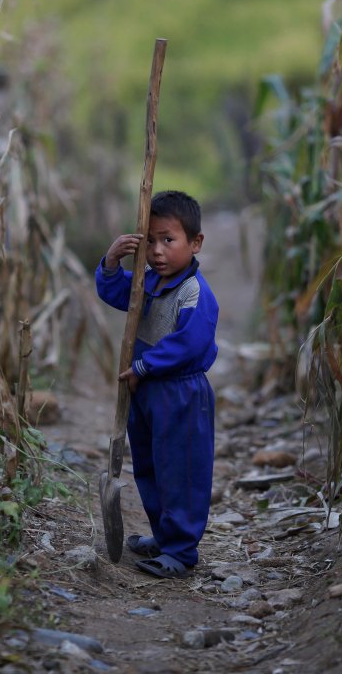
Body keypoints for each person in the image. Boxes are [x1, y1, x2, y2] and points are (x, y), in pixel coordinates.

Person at [95, 190, 219, 578]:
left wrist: (146, 366)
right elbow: (118, 294)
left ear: (195, 242)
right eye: (149, 240)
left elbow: (189, 344)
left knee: (180, 469)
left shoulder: (194, 293)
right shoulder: (146, 284)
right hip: (145, 392)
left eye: (168, 239)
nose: (157, 250)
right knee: (151, 466)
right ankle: (164, 536)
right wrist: (113, 262)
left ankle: (181, 550)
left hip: (180, 392)